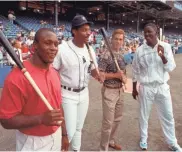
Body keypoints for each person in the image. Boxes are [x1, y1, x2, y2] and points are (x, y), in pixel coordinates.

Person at [0, 28, 69, 151]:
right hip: (32, 142)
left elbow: (58, 106)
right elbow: (5, 120)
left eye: (56, 44)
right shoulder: (16, 78)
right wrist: (41, 118)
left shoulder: (54, 73)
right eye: (47, 43)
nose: (53, 48)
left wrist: (64, 134)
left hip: (56, 134)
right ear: (35, 46)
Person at [53, 15, 100, 151]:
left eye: (89, 30)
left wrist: (99, 75)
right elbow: (53, 72)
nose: (88, 33)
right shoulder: (62, 49)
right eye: (84, 30)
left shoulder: (89, 49)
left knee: (79, 128)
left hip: (84, 93)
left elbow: (93, 70)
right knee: (69, 131)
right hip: (67, 94)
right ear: (74, 31)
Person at [132, 23, 182, 151]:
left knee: (168, 115)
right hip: (146, 87)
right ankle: (143, 139)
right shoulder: (140, 50)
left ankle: (172, 142)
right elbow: (135, 70)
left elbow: (171, 67)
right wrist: (133, 88)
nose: (147, 34)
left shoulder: (165, 46)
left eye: (150, 32)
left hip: (162, 86)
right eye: (145, 32)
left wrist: (163, 56)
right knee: (144, 115)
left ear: (156, 32)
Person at [98, 29, 127, 151]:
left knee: (117, 119)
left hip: (120, 91)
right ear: (112, 39)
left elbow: (123, 71)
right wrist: (116, 75)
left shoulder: (121, 53)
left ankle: (111, 141)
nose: (118, 42)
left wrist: (124, 77)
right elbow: (100, 76)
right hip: (109, 91)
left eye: (121, 39)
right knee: (108, 123)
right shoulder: (106, 54)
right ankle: (103, 148)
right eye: (116, 39)